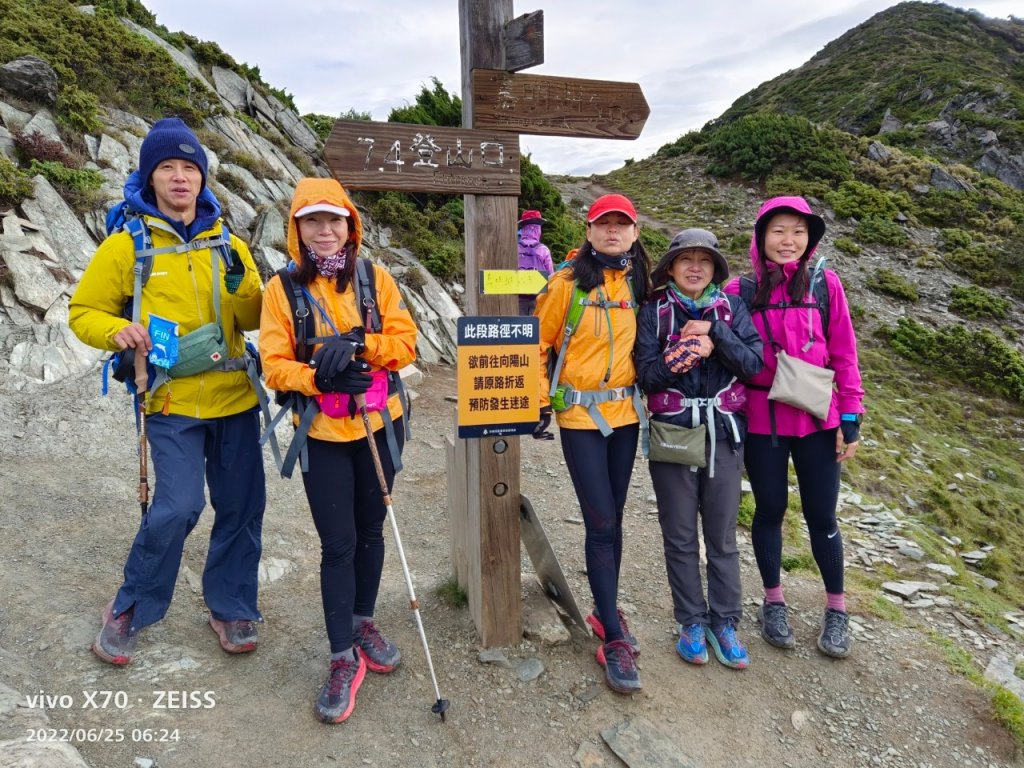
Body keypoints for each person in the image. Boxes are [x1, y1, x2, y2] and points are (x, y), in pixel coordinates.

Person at [69, 117, 266, 665]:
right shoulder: (125, 245)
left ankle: (230, 605)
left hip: (234, 395)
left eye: (189, 168)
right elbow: (82, 312)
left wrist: (243, 285)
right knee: (178, 507)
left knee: (243, 507)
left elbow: (252, 317)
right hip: (169, 399)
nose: (180, 178)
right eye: (167, 168)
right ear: (150, 177)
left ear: (203, 178)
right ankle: (131, 605)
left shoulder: (229, 244)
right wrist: (118, 330)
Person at [259, 177, 417, 724]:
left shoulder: (375, 278)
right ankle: (340, 655)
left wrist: (361, 344)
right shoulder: (282, 289)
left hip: (381, 424)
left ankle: (362, 621)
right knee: (339, 545)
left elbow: (405, 342)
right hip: (322, 434)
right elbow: (272, 363)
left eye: (334, 220)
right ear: (296, 229)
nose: (325, 231)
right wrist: (318, 377)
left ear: (351, 225)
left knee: (372, 532)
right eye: (312, 221)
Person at [724, 195, 864, 659]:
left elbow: (844, 351)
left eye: (799, 232)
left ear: (810, 239)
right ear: (761, 236)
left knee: (823, 515)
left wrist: (852, 415)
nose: (789, 241)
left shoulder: (826, 285)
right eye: (779, 231)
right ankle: (774, 600)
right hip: (763, 419)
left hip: (819, 419)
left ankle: (837, 610)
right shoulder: (739, 292)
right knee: (769, 510)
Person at [534, 193, 652, 694]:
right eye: (603, 224)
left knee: (614, 519)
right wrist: (542, 400)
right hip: (580, 415)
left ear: (634, 232)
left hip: (625, 414)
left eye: (620, 224)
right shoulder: (566, 284)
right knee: (600, 519)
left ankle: (606, 613)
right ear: (588, 230)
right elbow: (536, 343)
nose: (612, 232)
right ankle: (614, 639)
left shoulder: (642, 284)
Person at [635, 229, 763, 670]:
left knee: (723, 535)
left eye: (704, 261)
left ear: (714, 270)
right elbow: (646, 375)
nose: (695, 267)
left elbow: (753, 363)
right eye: (685, 259)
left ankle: (725, 621)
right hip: (673, 430)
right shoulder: (654, 311)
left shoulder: (731, 309)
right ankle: (691, 619)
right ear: (670, 268)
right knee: (680, 533)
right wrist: (681, 355)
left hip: (724, 432)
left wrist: (715, 333)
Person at [517, 209, 554, 316]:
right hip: (539, 296)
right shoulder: (543, 250)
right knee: (536, 328)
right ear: (538, 230)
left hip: (518, 296)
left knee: (520, 327)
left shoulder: (515, 248)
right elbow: (551, 276)